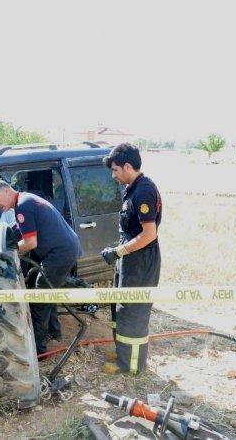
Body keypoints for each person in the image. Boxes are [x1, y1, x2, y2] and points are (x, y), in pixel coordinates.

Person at [0, 180, 82, 354]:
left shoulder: (23, 206)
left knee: (39, 297)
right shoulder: (24, 200)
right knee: (48, 291)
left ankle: (39, 350)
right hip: (66, 248)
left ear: (6, 192)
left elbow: (30, 243)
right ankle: (54, 332)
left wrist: (9, 253)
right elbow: (17, 230)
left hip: (60, 253)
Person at [101, 142, 162, 374]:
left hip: (141, 260)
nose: (114, 175)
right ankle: (122, 352)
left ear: (128, 166)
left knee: (133, 310)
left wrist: (118, 252)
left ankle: (131, 365)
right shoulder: (133, 188)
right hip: (129, 258)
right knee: (120, 307)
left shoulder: (144, 190)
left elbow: (149, 234)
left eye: (115, 170)